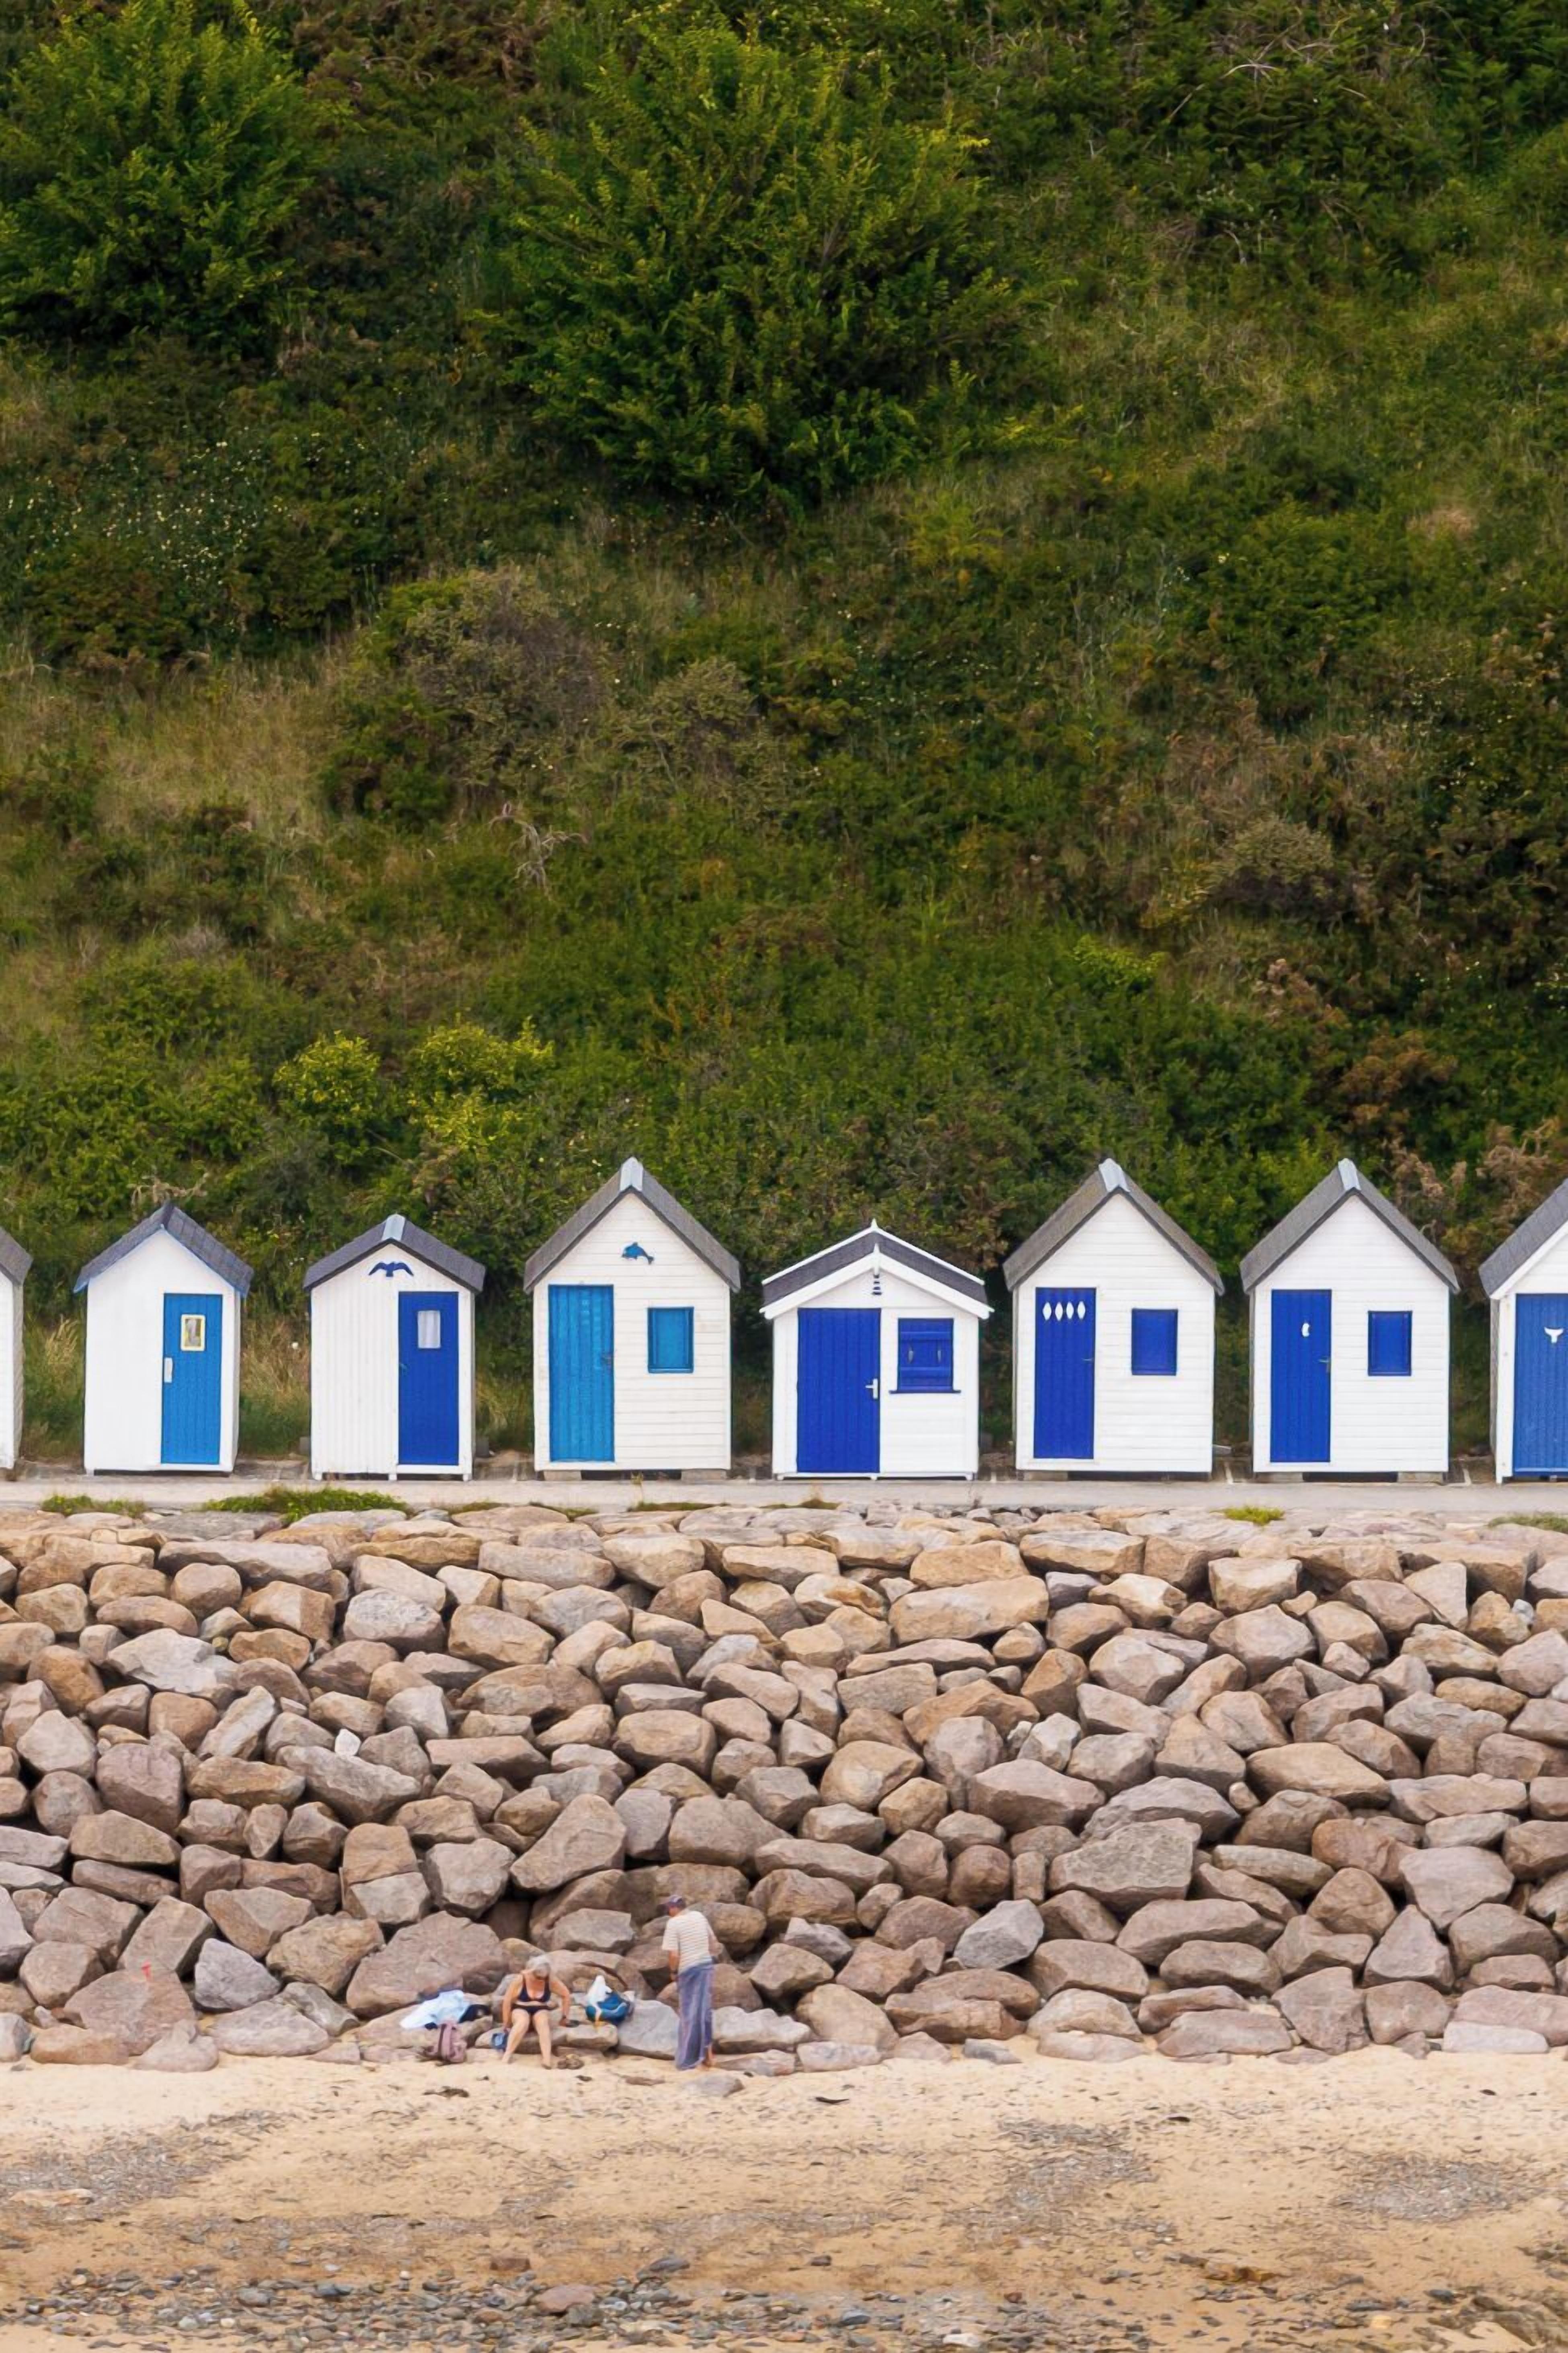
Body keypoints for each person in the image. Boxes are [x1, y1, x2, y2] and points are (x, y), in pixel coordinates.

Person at [661, 1893, 720, 2071]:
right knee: (704, 2011)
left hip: (689, 1970)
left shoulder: (674, 1924)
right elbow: (714, 1943)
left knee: (689, 2013)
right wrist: (706, 1956)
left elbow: (674, 1955)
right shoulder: (699, 1916)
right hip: (706, 1966)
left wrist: (673, 1972)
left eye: (668, 1909)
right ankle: (709, 2057)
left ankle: (688, 2059)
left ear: (673, 1909)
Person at [499, 1957, 574, 2068]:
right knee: (522, 2022)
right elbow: (507, 2001)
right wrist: (506, 2023)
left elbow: (566, 1995)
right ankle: (507, 2055)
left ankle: (547, 2059)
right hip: (521, 2008)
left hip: (541, 2009)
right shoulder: (521, 1979)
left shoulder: (550, 1980)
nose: (540, 1980)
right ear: (532, 1972)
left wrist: (565, 2017)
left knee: (543, 2023)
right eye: (538, 1977)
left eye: (543, 1978)